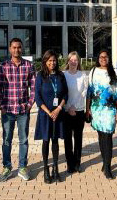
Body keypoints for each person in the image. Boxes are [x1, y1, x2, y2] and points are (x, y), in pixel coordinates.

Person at [0, 38, 36, 183]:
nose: (16, 50)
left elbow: (34, 87)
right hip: (7, 111)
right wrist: (1, 106)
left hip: (23, 111)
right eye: (14, 47)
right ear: (10, 49)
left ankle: (22, 167)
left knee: (23, 140)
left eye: (19, 47)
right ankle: (7, 167)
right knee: (6, 140)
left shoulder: (29, 66)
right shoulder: (3, 66)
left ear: (22, 48)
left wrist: (30, 104)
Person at [86, 49, 117, 180]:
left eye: (105, 57)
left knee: (108, 137)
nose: (103, 59)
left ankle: (108, 167)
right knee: (101, 136)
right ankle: (104, 162)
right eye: (101, 57)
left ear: (109, 58)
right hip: (96, 109)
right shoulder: (93, 71)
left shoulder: (115, 72)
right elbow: (89, 92)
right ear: (98, 58)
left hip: (109, 110)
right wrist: (87, 109)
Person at [35, 50, 68, 184]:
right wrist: (49, 112)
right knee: (46, 141)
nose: (52, 63)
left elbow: (66, 94)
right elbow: (38, 97)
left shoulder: (61, 75)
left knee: (55, 141)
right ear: (45, 61)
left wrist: (59, 108)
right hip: (45, 115)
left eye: (54, 60)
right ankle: (46, 169)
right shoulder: (40, 76)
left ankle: (55, 168)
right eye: (49, 60)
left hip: (58, 114)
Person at [64, 51, 88, 173]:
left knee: (78, 139)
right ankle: (70, 164)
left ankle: (77, 163)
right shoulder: (63, 75)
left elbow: (84, 94)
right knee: (67, 140)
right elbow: (62, 93)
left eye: (76, 60)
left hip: (79, 111)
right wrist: (68, 107)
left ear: (79, 61)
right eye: (71, 60)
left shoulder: (83, 75)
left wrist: (76, 107)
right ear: (68, 61)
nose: (73, 62)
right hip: (66, 112)